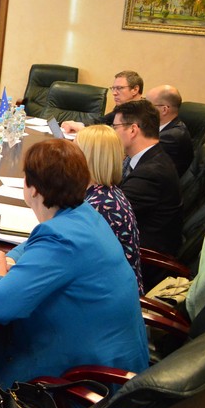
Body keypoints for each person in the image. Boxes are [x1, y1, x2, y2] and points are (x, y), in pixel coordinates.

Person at [0, 140, 148, 396]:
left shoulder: (61, 240)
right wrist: (6, 260)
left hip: (83, 384)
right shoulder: (85, 214)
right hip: (112, 361)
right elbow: (33, 244)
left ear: (32, 189)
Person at [75, 125, 143, 294]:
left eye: (74, 151)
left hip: (107, 295)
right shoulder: (105, 192)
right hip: (105, 286)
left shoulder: (101, 206)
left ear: (87, 159)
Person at [113, 99, 183, 256]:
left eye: (115, 127)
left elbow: (109, 215)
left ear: (133, 130)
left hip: (144, 255)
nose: (113, 133)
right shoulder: (153, 156)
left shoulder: (150, 174)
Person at [61, 69, 143, 134]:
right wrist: (79, 124)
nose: (114, 93)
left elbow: (116, 137)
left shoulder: (143, 114)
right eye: (113, 88)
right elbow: (100, 121)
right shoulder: (123, 106)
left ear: (135, 90)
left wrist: (83, 130)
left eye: (119, 88)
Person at [146, 84, 192, 176]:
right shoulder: (162, 127)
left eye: (148, 105)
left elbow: (142, 163)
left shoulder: (170, 137)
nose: (143, 109)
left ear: (164, 110)